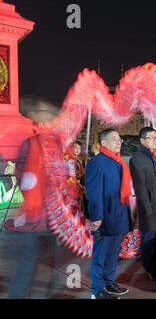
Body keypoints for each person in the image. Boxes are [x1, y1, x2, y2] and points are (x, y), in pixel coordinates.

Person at [4, 95, 63, 299]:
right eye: (49, 116)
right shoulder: (30, 144)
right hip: (33, 215)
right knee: (27, 265)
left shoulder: (58, 145)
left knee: (57, 264)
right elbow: (23, 176)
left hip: (53, 217)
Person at [85, 129, 132, 299]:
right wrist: (96, 216)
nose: (119, 142)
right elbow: (93, 191)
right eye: (114, 139)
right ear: (103, 143)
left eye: (119, 139)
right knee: (100, 254)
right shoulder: (97, 162)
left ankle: (109, 282)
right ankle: (97, 290)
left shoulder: (118, 161)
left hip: (118, 213)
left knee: (113, 253)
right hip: (104, 215)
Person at [129, 127, 156, 280]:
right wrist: (147, 211)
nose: (155, 140)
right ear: (142, 141)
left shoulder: (154, 156)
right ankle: (150, 269)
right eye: (151, 138)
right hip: (150, 208)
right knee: (149, 240)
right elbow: (140, 188)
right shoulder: (138, 158)